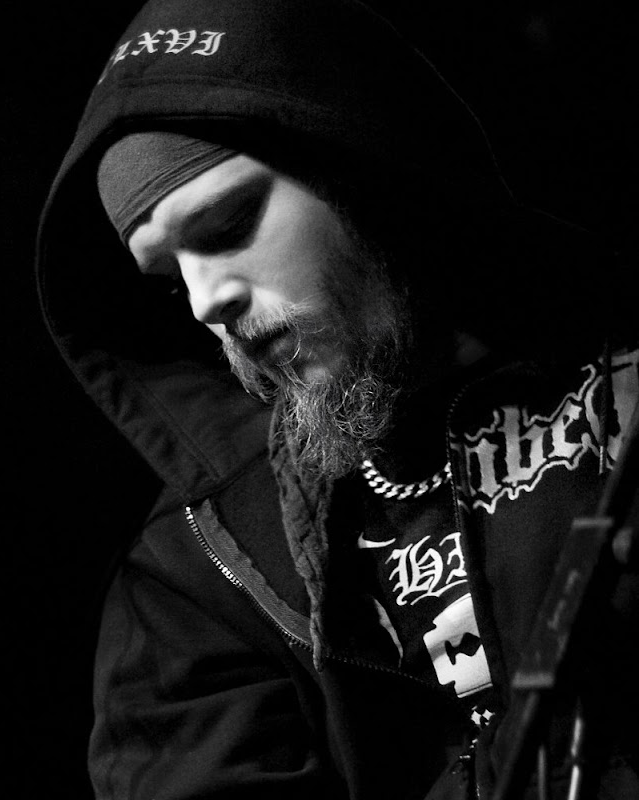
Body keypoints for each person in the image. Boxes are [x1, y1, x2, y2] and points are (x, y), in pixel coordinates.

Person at [36, 0, 638, 797]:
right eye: (169, 277)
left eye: (228, 224)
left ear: (363, 166)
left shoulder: (623, 383)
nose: (206, 302)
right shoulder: (200, 567)